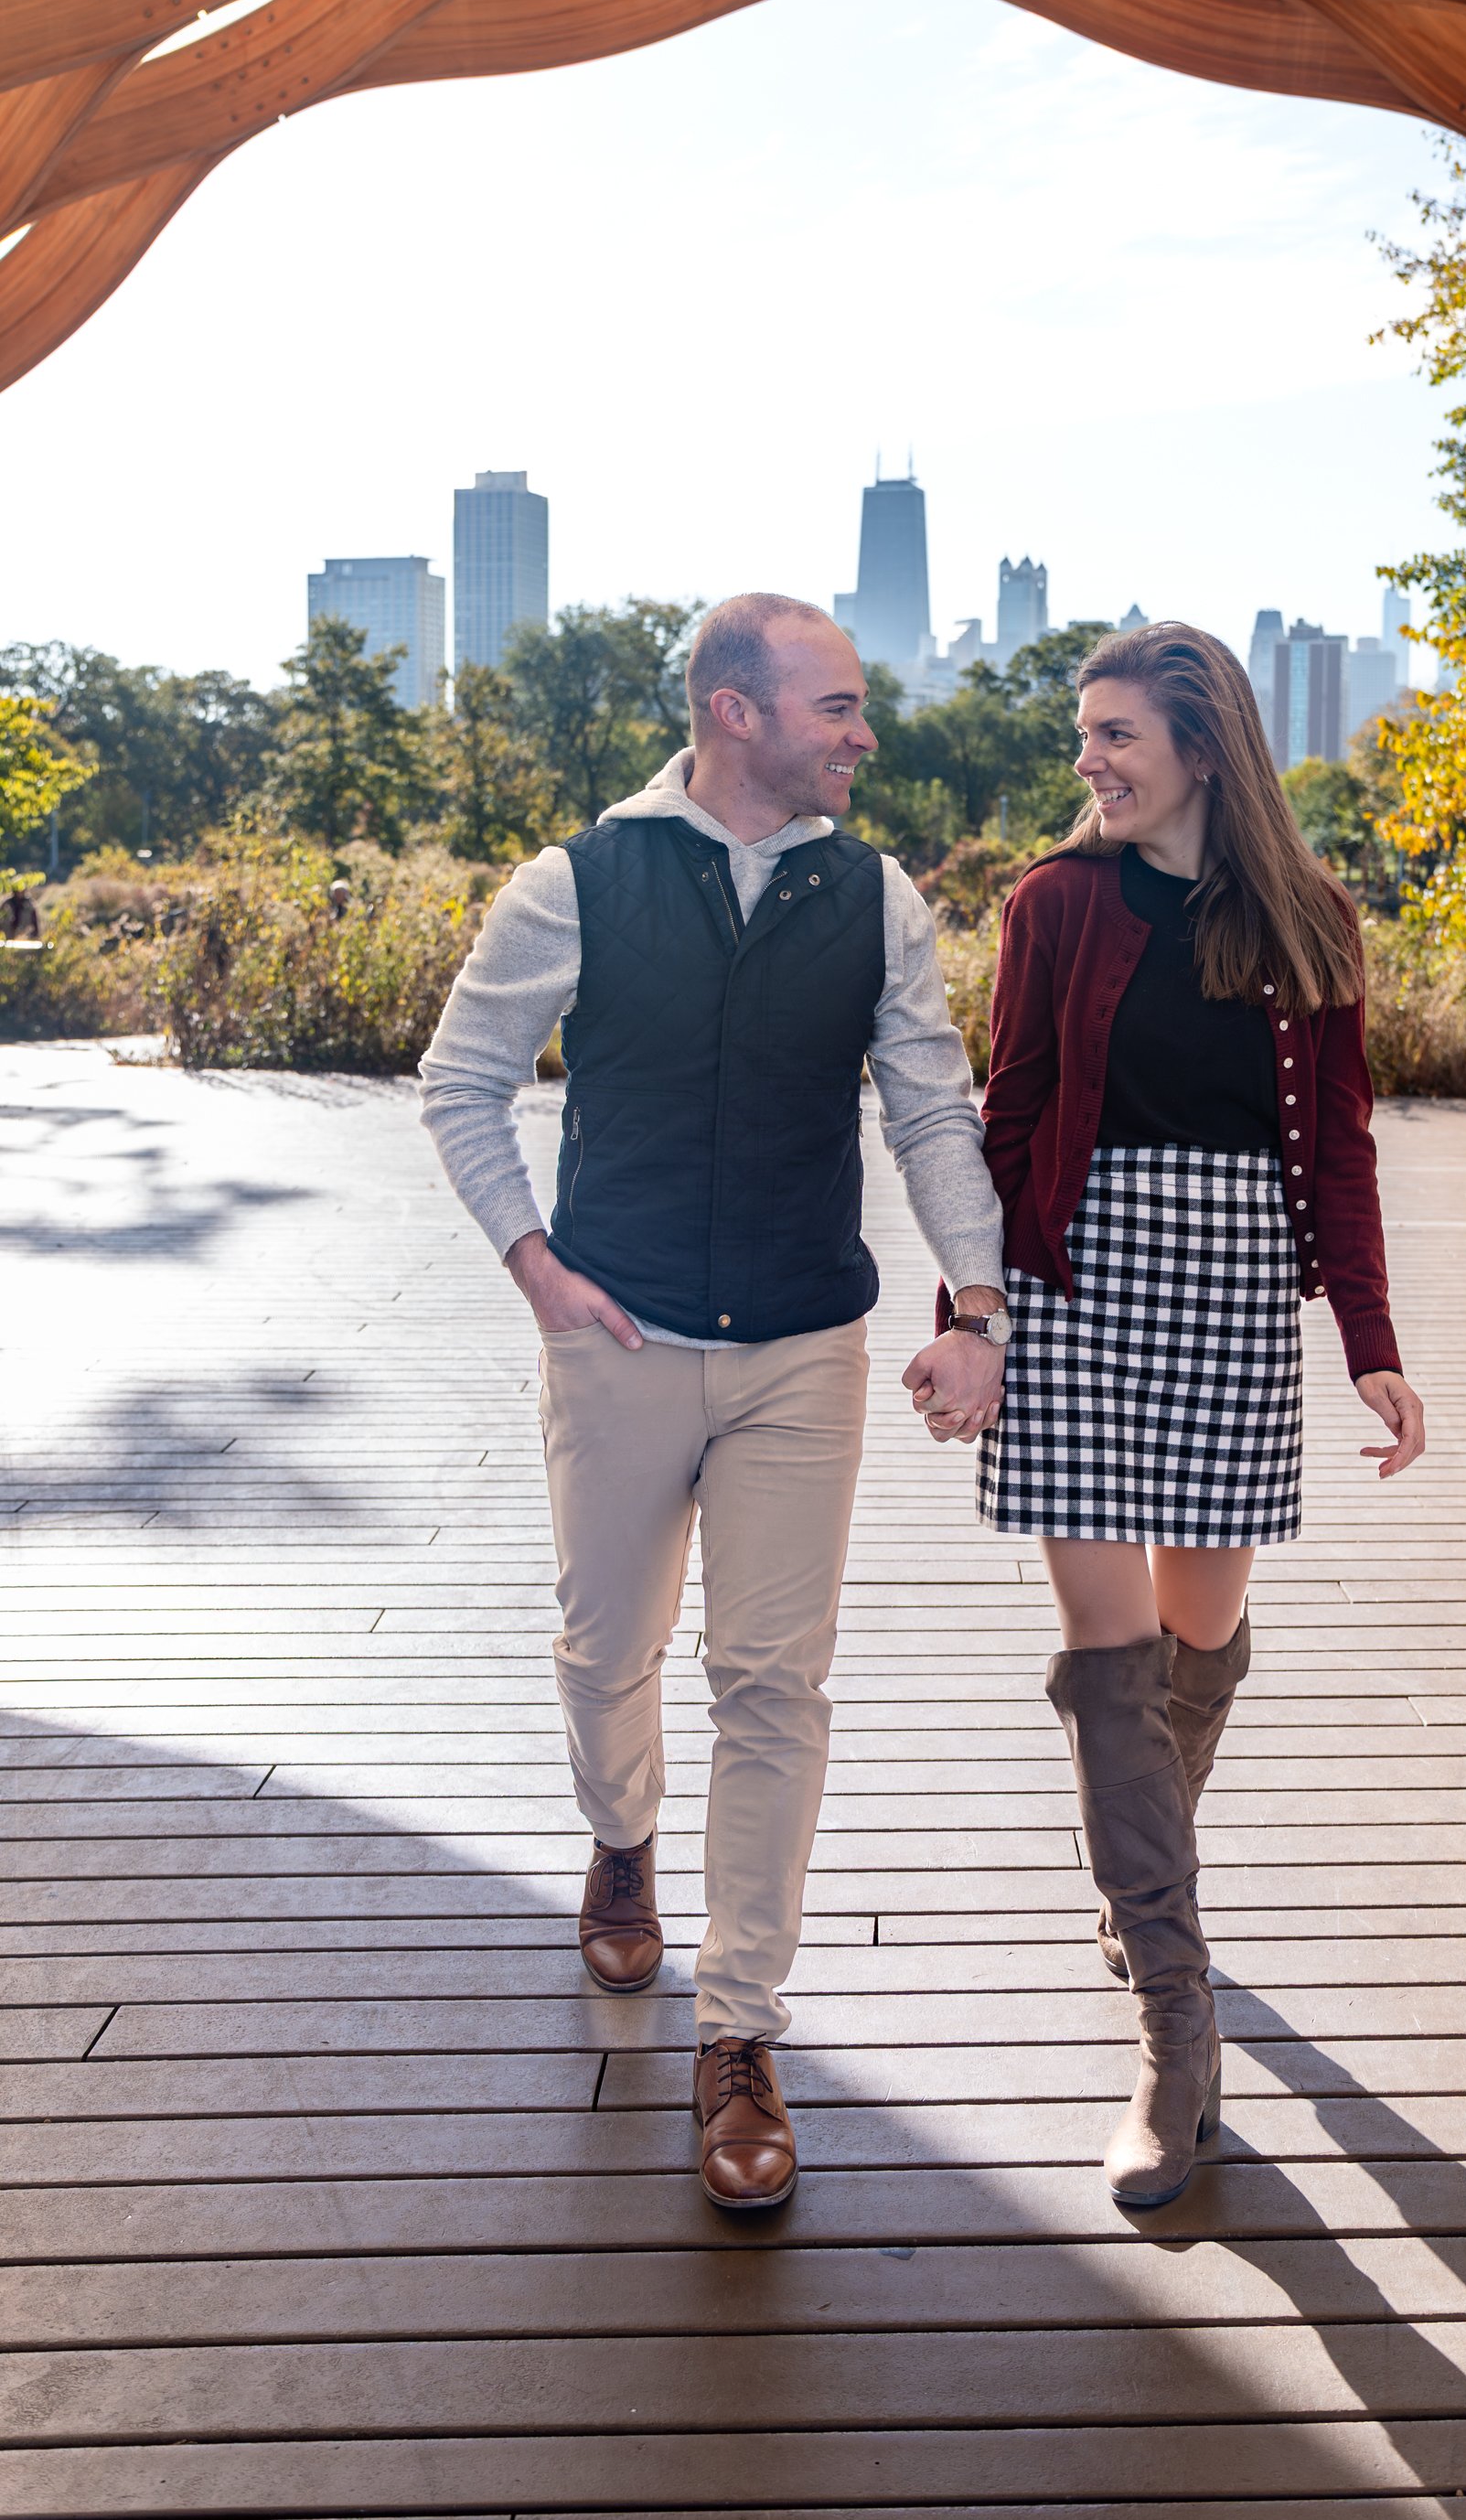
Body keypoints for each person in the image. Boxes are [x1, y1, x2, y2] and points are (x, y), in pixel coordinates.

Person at [420, 595, 1008, 2213]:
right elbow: (461, 1083)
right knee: (606, 1646)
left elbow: (933, 1115)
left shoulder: (878, 900)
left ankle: (739, 2037)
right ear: (735, 713)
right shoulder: (579, 882)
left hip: (804, 1350)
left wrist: (976, 1300)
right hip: (616, 1337)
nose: (862, 735)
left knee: (773, 1683)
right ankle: (621, 1841)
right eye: (836, 707)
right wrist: (536, 1268)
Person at [952, 620, 1424, 2210]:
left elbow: (1341, 1151)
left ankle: (1138, 1871)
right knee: (1107, 1666)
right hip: (1078, 1287)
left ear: (1204, 750)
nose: (1087, 760)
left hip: (1230, 1296)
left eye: (1116, 737)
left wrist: (1369, 1335)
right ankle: (1176, 2023)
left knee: (1193, 1639)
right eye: (1083, 735)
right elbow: (1003, 1121)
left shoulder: (1315, 926)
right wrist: (973, 1317)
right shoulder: (1052, 905)